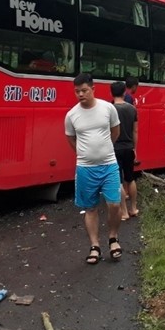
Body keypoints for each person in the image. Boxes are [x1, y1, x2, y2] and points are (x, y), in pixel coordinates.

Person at [64, 73, 123, 264]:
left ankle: (113, 238)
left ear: (93, 89)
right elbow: (71, 139)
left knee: (114, 204)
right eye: (77, 91)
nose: (80, 94)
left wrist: (104, 149)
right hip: (85, 168)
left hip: (109, 165)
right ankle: (95, 246)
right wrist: (84, 154)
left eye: (84, 90)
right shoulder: (72, 115)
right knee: (90, 209)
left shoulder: (108, 108)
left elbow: (116, 132)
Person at [110, 81, 139, 220]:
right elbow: (135, 131)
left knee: (118, 181)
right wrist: (135, 148)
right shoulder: (132, 109)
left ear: (112, 93)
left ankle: (124, 212)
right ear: (124, 92)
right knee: (130, 178)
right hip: (129, 148)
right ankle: (133, 209)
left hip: (115, 148)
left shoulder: (109, 109)